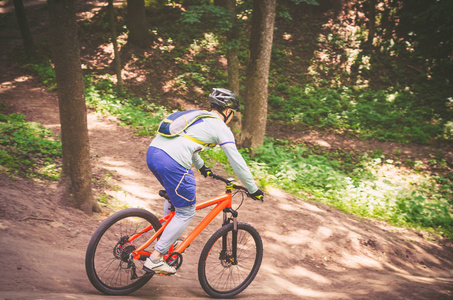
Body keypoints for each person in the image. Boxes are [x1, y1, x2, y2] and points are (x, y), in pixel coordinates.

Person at [143, 88, 264, 275]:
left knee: (176, 198)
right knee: (186, 211)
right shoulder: (221, 127)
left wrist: (201, 166)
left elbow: (187, 142)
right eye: (233, 113)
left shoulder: (199, 118)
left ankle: (167, 240)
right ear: (227, 111)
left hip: (153, 153)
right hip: (172, 161)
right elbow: (236, 161)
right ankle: (156, 258)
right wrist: (253, 188)